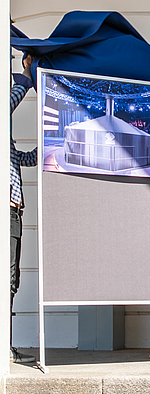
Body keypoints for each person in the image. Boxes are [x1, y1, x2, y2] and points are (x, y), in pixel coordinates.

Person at [9, 52, 37, 364]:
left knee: (12, 280)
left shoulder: (9, 145)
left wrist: (51, 146)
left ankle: (8, 345)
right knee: (8, 278)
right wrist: (27, 80)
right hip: (8, 213)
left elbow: (23, 160)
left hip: (15, 213)